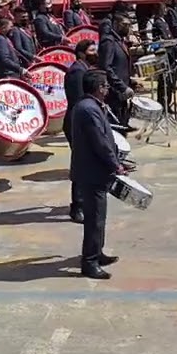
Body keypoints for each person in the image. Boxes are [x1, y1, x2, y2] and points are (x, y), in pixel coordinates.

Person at [69, 70, 125, 280]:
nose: (108, 89)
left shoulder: (90, 106)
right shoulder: (88, 110)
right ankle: (90, 261)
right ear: (99, 88)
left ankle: (97, 252)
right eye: (106, 86)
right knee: (94, 219)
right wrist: (115, 164)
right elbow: (100, 142)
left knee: (99, 217)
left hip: (94, 172)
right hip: (91, 172)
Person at [63, 38, 98, 223]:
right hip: (76, 123)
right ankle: (77, 206)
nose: (95, 53)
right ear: (82, 53)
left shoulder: (84, 69)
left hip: (81, 122)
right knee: (80, 163)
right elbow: (78, 101)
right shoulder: (77, 72)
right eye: (92, 50)